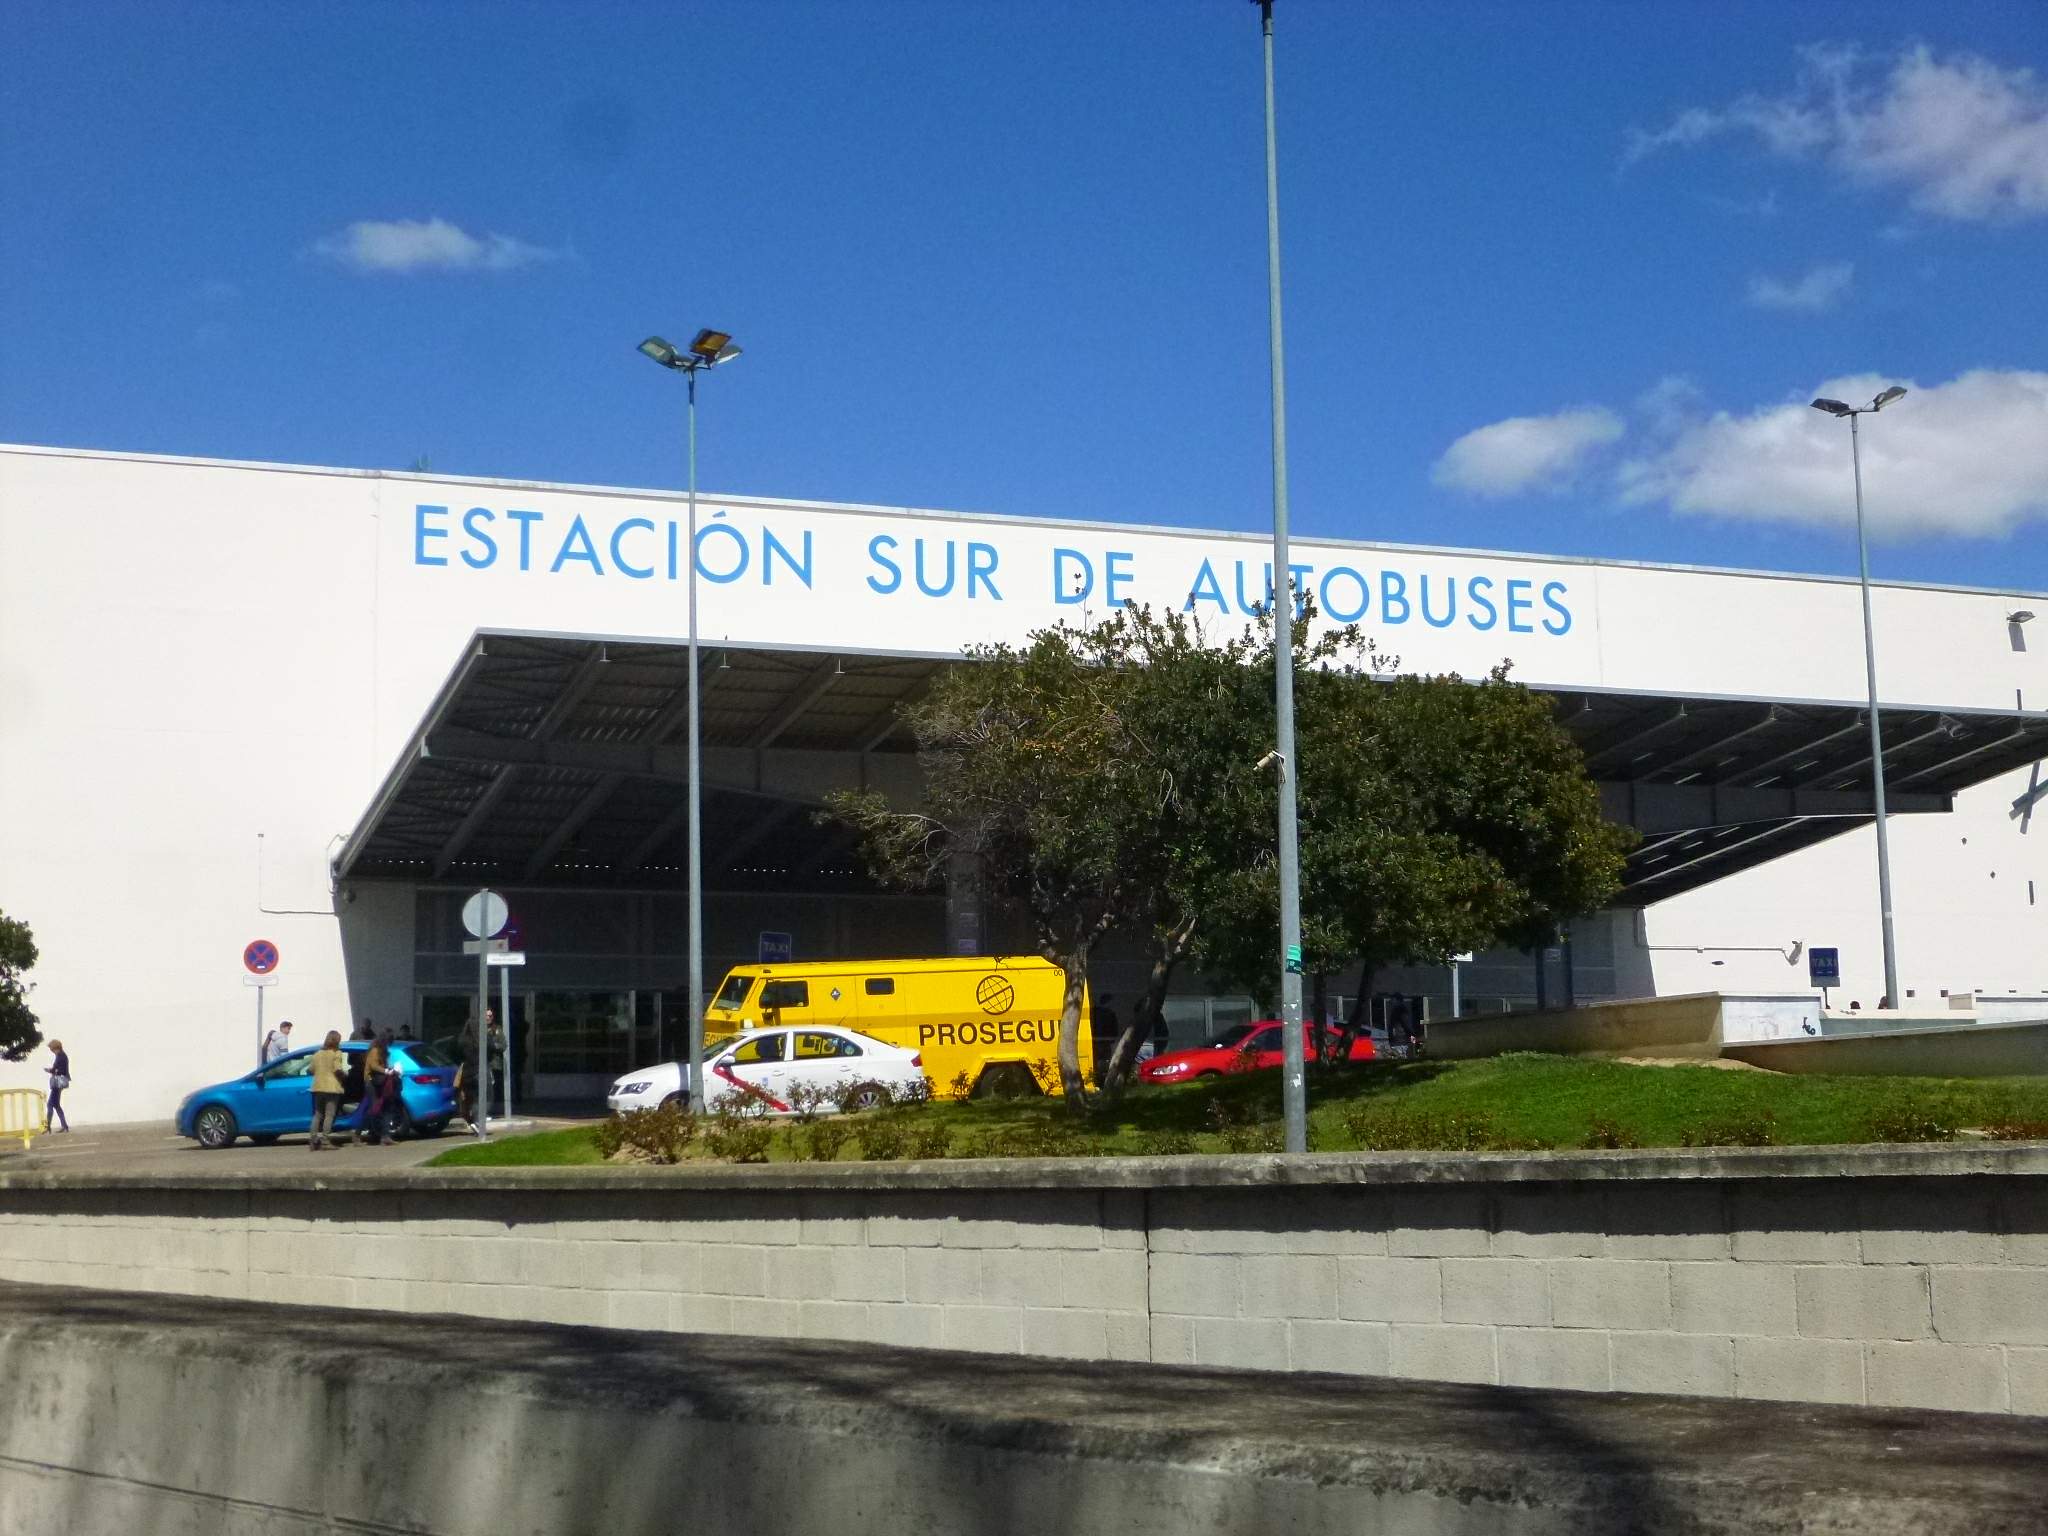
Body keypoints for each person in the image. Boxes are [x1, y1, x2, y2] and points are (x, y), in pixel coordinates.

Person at [352, 1040, 396, 1145]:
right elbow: (373, 1065)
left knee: (382, 1108)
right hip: (372, 1083)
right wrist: (385, 1071)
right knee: (374, 1109)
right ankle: (357, 1134)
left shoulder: (381, 1052)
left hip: (379, 1083)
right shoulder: (375, 1051)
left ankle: (385, 1136)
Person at [308, 1030, 346, 1151]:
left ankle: (313, 1139)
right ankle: (325, 1140)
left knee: (318, 1114)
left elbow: (310, 1070)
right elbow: (337, 1069)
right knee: (329, 1115)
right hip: (331, 1087)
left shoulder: (317, 1054)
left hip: (318, 1087)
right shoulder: (337, 1053)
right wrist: (345, 1076)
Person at [43, 1040, 70, 1133]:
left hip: (57, 1083)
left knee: (50, 1104)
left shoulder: (60, 1056)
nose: (51, 1050)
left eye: (51, 1048)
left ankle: (47, 1127)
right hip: (59, 1083)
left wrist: (51, 1070)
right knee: (56, 1105)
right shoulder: (62, 1055)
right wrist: (52, 1070)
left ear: (55, 1047)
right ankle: (64, 1126)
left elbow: (60, 1070)